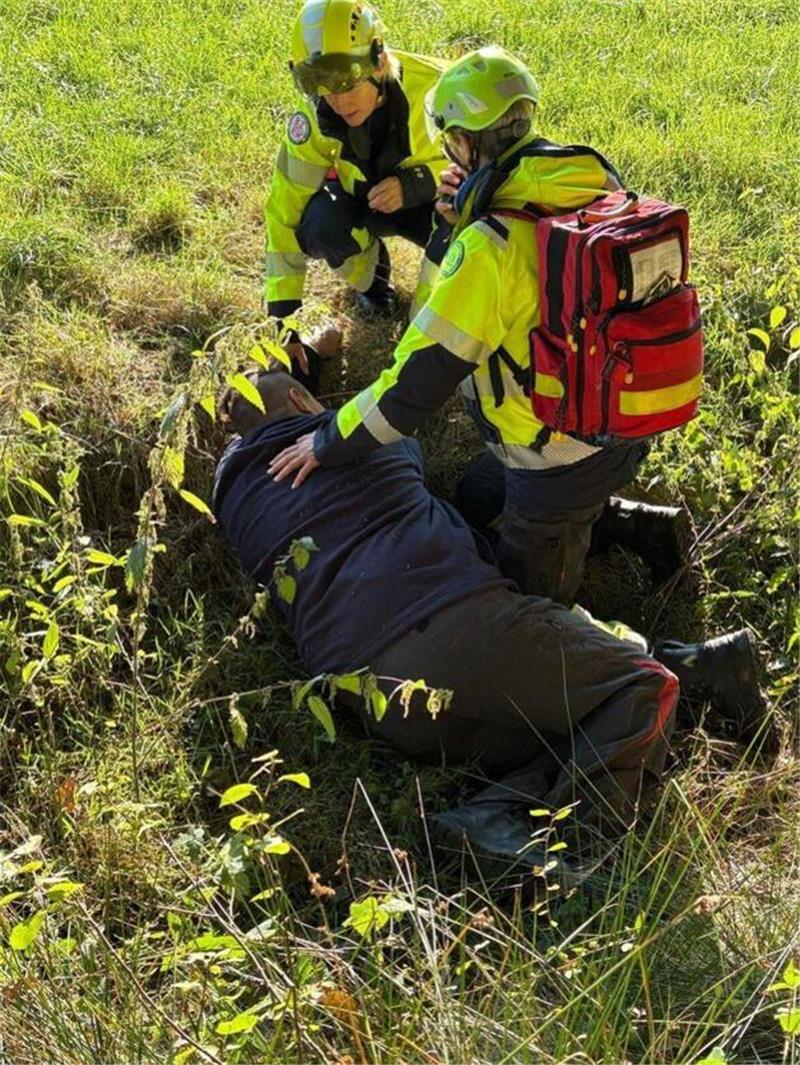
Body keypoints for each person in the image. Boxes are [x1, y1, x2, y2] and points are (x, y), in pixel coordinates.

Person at [212, 369, 768, 886]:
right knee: (641, 686)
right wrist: (333, 420)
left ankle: (491, 818)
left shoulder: (230, 495)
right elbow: (405, 445)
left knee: (575, 724)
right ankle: (577, 850)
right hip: (451, 623)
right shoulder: (364, 441)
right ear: (302, 401)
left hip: (377, 701)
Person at [267, 46, 689, 604]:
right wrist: (457, 218)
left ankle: (683, 659)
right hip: (628, 414)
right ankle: (641, 524)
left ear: (466, 142)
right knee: (475, 497)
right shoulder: (587, 178)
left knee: (521, 610)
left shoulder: (490, 248)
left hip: (558, 455)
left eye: (450, 141)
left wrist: (328, 442)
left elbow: (416, 381)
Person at [265, 0, 449, 374]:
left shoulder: (440, 88)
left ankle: (435, 321)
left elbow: (486, 166)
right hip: (365, 203)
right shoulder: (316, 118)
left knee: (470, 234)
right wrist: (284, 323)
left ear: (378, 59)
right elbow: (284, 216)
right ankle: (376, 288)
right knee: (319, 227)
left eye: (344, 79)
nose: (335, 99)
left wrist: (414, 185)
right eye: (317, 84)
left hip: (436, 201)